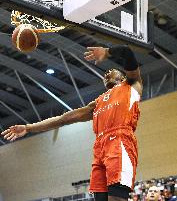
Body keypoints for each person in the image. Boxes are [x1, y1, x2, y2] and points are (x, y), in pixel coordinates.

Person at [1, 44, 143, 201]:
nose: (107, 73)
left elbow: (127, 52)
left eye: (112, 71)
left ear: (123, 77)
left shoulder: (131, 85)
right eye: (105, 73)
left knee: (116, 198)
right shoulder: (96, 104)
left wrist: (107, 52)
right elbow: (63, 119)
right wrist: (28, 127)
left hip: (120, 141)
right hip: (100, 148)